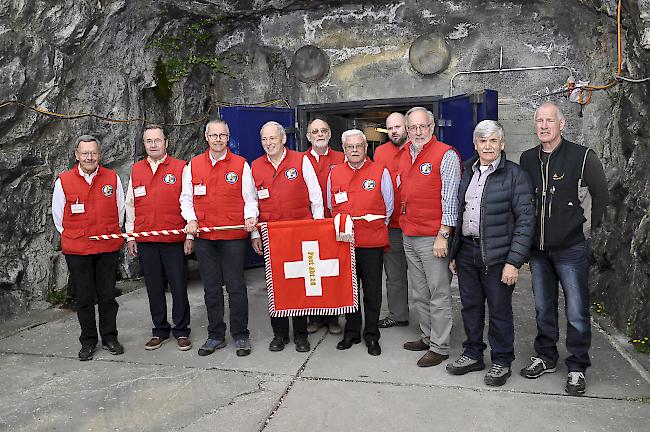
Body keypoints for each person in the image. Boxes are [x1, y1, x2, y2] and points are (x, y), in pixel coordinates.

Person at [519, 102, 608, 396]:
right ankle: (545, 356)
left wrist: (588, 234)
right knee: (543, 307)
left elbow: (602, 195)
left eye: (550, 121)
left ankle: (577, 366)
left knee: (576, 310)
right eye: (540, 121)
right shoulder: (528, 159)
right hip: (539, 251)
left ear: (562, 124)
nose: (544, 126)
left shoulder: (582, 157)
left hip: (571, 248)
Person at [446, 120, 535, 386]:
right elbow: (460, 212)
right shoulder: (466, 171)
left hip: (498, 256)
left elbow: (526, 221)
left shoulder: (515, 175)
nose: (487, 146)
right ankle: (473, 354)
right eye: (482, 141)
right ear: (475, 145)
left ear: (502, 144)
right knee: (471, 307)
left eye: (493, 140)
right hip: (467, 252)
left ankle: (502, 361)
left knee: (499, 310)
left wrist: (514, 262)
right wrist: (454, 253)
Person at [181, 119, 258, 357]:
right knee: (211, 289)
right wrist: (190, 219)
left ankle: (241, 334)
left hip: (233, 237)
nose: (218, 140)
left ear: (228, 138)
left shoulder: (241, 165)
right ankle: (215, 335)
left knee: (236, 287)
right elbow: (186, 198)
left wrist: (250, 218)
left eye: (222, 135)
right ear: (206, 137)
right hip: (205, 238)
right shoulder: (192, 166)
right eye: (214, 135)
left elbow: (251, 199)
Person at [251, 121, 324, 353]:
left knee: (298, 285)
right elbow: (251, 203)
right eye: (264, 139)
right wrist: (254, 233)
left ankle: (301, 335)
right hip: (271, 236)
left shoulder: (301, 161)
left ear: (283, 139)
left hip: (300, 235)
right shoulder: (254, 166)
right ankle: (279, 334)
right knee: (276, 286)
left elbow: (316, 197)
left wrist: (317, 229)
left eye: (272, 138)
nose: (268, 143)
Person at [52, 135, 125, 361]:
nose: (89, 157)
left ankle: (110, 337)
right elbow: (59, 219)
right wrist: (77, 237)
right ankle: (88, 341)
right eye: (85, 153)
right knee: (84, 298)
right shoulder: (63, 181)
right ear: (77, 156)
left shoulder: (112, 178)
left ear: (99, 155)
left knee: (107, 296)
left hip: (107, 248)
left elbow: (120, 210)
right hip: (78, 250)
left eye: (93, 153)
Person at [398, 106, 461, 367]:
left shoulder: (445, 155)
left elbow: (450, 199)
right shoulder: (404, 154)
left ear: (432, 127)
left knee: (438, 293)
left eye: (422, 126)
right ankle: (427, 336)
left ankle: (441, 346)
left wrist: (444, 234)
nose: (417, 132)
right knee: (420, 293)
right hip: (409, 234)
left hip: (433, 237)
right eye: (412, 127)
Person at [125, 124, 193, 352]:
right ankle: (160, 330)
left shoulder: (181, 168)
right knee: (154, 288)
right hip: (146, 240)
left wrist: (189, 236)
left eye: (157, 140)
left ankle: (182, 330)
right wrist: (130, 236)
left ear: (166, 142)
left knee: (178, 286)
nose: (153, 145)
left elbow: (188, 202)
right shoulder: (135, 170)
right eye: (148, 141)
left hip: (174, 239)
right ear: (144, 144)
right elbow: (130, 205)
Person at [327, 129, 393, 356]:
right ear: (344, 149)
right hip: (344, 243)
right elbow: (330, 205)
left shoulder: (380, 171)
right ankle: (352, 332)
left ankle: (372, 335)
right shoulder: (334, 173)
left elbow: (389, 206)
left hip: (372, 242)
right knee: (348, 290)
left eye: (359, 146)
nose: (354, 150)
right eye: (349, 147)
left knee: (372, 291)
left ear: (366, 148)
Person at [303, 117, 345, 336]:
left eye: (324, 130)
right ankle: (315, 317)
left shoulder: (342, 157)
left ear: (330, 134)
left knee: (332, 272)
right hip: (309, 226)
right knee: (312, 271)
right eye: (315, 131)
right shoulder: (300, 161)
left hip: (335, 224)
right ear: (308, 136)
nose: (320, 134)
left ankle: (333, 318)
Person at [374, 112, 410, 329]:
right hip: (392, 224)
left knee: (423, 277)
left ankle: (431, 320)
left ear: (406, 127)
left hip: (417, 225)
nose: (394, 131)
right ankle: (398, 314)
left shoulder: (417, 148)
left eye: (398, 127)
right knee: (394, 274)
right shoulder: (380, 152)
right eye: (390, 128)